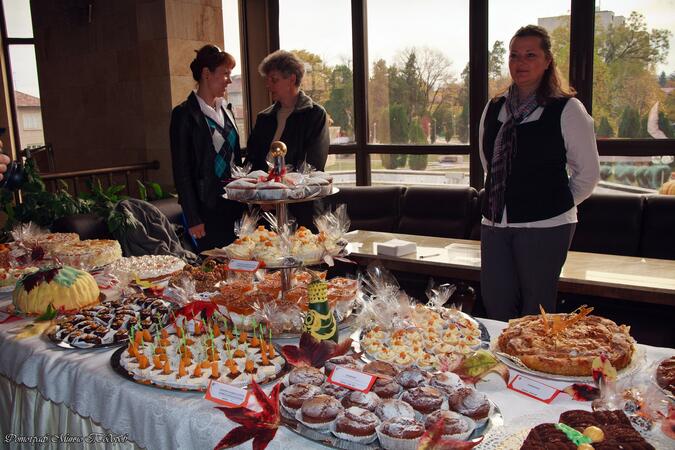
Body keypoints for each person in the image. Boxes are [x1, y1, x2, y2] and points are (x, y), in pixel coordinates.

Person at [478, 25, 600, 321]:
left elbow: (588, 174)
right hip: (495, 223)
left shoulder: (567, 109)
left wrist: (551, 202)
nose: (520, 62)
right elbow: (487, 160)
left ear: (547, 61)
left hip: (547, 226)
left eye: (530, 55)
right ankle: (497, 368)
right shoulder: (495, 106)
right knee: (495, 304)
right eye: (514, 55)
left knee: (536, 313)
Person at [169, 45, 244, 251]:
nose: (229, 80)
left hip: (235, 205)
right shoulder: (184, 114)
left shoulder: (226, 110)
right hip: (206, 208)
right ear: (206, 73)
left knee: (241, 266)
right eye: (225, 74)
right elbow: (181, 170)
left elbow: (235, 161)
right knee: (214, 269)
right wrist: (193, 217)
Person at [246, 50, 329, 172]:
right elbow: (252, 162)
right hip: (263, 189)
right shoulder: (264, 118)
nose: (268, 86)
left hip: (299, 190)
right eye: (267, 80)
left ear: (292, 79)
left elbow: (314, 165)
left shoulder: (315, 115)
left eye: (274, 80)